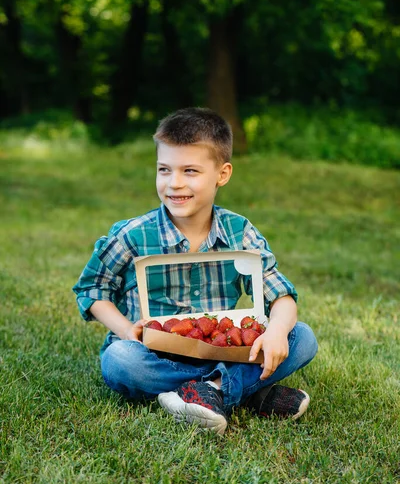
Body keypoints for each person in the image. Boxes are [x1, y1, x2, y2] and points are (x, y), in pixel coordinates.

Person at [73, 107, 318, 435]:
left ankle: (208, 391)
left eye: (190, 171)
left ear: (222, 174)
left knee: (302, 337)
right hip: (155, 356)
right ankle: (246, 392)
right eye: (164, 170)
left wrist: (274, 333)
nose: (174, 183)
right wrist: (126, 329)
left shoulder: (239, 231)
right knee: (119, 360)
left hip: (225, 347)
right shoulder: (132, 234)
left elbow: (280, 294)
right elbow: (92, 290)